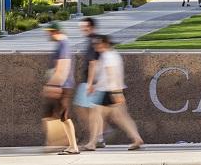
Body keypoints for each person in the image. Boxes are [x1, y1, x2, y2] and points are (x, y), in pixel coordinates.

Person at [82, 35, 142, 151]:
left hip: (109, 91)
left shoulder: (108, 56)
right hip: (111, 90)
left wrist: (116, 93)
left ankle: (92, 143)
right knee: (121, 117)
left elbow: (111, 74)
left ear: (104, 44)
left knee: (96, 115)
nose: (95, 46)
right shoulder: (112, 54)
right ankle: (136, 137)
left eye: (97, 44)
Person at [42, 22, 79, 155]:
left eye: (49, 32)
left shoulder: (63, 45)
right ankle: (64, 143)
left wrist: (54, 85)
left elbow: (62, 68)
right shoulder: (62, 45)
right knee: (54, 116)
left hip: (62, 87)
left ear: (54, 31)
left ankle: (72, 146)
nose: (48, 35)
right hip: (61, 86)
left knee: (64, 117)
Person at [74, 17, 104, 150]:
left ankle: (93, 141)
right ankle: (99, 137)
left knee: (92, 112)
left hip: (91, 82)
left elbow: (93, 63)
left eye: (85, 27)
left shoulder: (93, 41)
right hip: (92, 81)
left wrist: (91, 84)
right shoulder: (93, 40)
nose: (82, 29)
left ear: (91, 27)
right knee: (87, 110)